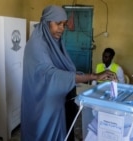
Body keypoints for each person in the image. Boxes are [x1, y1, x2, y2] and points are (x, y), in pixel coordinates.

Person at [21, 5, 116, 141]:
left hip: (58, 100)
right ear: (46, 22)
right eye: (58, 23)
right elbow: (51, 75)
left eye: (64, 24)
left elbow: (65, 68)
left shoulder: (54, 41)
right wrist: (93, 76)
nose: (62, 28)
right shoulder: (37, 45)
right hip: (42, 104)